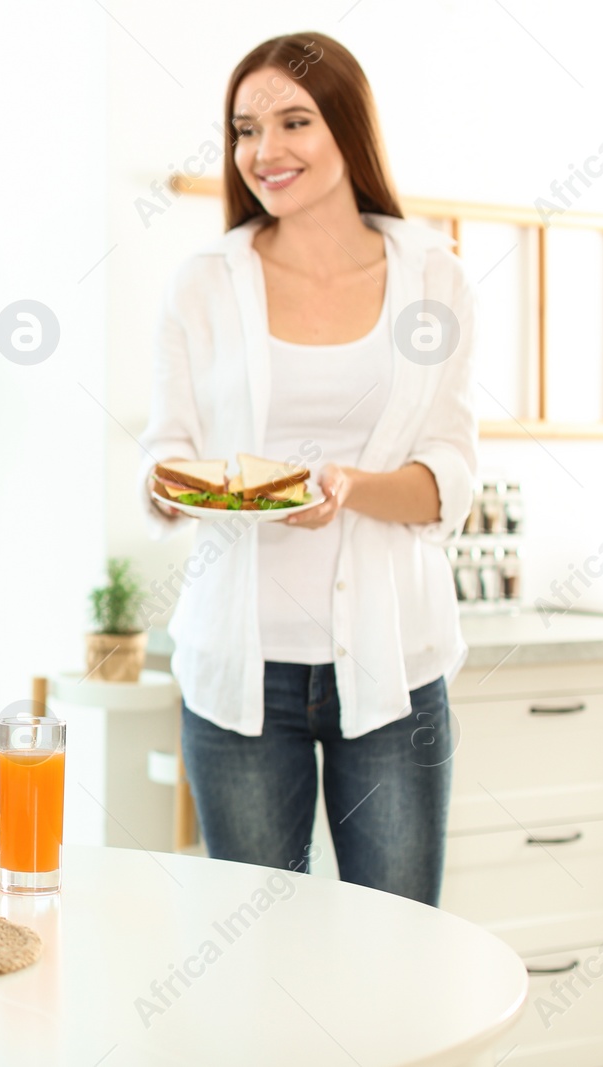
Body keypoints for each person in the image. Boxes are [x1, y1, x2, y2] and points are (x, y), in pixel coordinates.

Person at [139, 32, 476, 905]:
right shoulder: (203, 283)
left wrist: (351, 489)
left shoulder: (432, 278)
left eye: (294, 121)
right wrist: (188, 490)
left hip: (394, 667)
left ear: (347, 129)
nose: (265, 151)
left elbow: (450, 471)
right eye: (245, 129)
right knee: (256, 956)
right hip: (239, 672)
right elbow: (164, 457)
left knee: (399, 943)